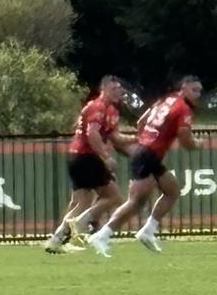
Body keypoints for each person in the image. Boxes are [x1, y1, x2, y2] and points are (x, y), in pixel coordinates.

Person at [86, 76, 205, 257]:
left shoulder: (167, 100)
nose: (198, 94)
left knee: (172, 191)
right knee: (135, 202)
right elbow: (186, 140)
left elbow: (141, 121)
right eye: (194, 90)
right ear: (184, 88)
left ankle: (148, 231)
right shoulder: (183, 108)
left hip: (148, 153)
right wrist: (197, 144)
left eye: (199, 91)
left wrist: (147, 137)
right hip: (147, 155)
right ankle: (102, 236)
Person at [45, 76, 134, 254]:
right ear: (104, 90)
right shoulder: (98, 106)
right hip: (86, 156)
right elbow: (92, 134)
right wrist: (106, 156)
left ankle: (56, 240)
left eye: (120, 89)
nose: (119, 92)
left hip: (79, 156)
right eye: (114, 89)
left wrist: (137, 138)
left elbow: (116, 137)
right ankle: (80, 223)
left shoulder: (112, 111)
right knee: (114, 197)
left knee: (79, 202)